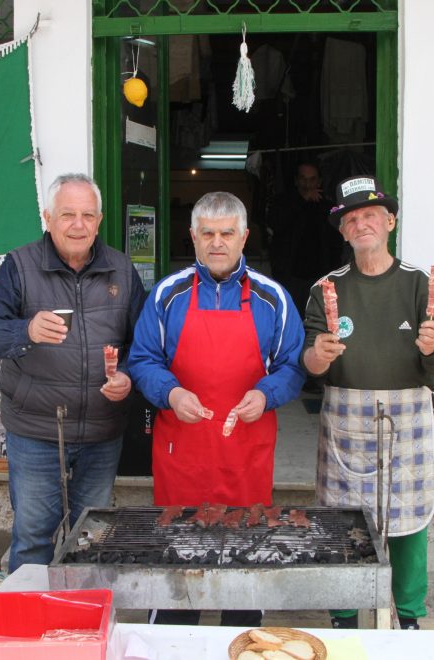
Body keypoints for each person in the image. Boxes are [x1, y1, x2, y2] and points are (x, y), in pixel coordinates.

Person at [128, 191, 306, 627]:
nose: (217, 242)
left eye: (227, 233)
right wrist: (170, 393)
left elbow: (292, 365)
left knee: (244, 561)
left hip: (245, 450)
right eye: (207, 233)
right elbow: (142, 359)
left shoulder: (273, 299)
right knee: (178, 559)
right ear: (193, 237)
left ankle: (240, 631)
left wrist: (265, 394)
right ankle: (173, 635)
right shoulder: (168, 295)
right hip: (182, 453)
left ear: (245, 237)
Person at [301, 175, 434, 631]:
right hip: (346, 424)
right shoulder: (326, 289)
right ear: (343, 231)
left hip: (407, 420)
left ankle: (409, 618)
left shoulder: (417, 285)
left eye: (370, 214)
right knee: (343, 524)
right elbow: (309, 364)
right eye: (351, 219)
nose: (362, 224)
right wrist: (318, 356)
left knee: (410, 527)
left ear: (389, 221)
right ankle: (343, 616)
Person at [0, 173, 145, 573]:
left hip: (102, 433)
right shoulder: (19, 266)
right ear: (47, 217)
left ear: (99, 221)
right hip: (37, 432)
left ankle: (81, 626)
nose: (78, 225)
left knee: (90, 540)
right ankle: (29, 627)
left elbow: (145, 343)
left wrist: (129, 376)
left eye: (87, 215)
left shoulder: (121, 269)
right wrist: (26, 330)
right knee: (33, 538)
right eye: (68, 214)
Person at [267, 161, 344, 314]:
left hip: (322, 277)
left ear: (319, 182)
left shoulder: (328, 208)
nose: (308, 184)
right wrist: (303, 201)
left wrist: (333, 273)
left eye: (312, 179)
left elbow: (336, 243)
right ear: (296, 181)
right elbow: (276, 224)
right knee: (290, 318)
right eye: (303, 179)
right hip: (289, 278)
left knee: (323, 319)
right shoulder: (282, 203)